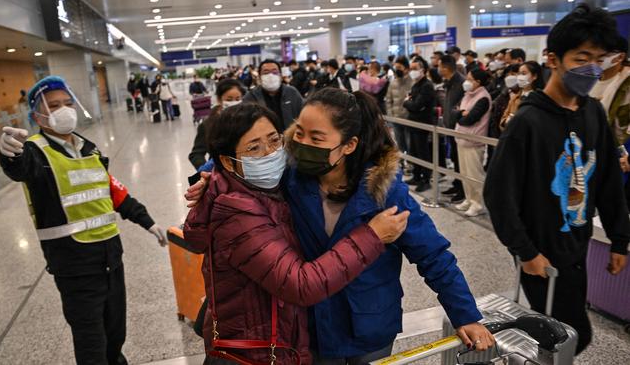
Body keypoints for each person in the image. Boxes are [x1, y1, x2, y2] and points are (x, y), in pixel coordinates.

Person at [188, 88, 496, 364]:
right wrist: (208, 179)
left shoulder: (384, 192)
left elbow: (433, 255)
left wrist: (465, 315)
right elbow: (238, 158)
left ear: (348, 145)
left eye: (317, 138)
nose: (302, 144)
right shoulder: (292, 177)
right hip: (314, 328)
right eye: (299, 133)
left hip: (371, 324)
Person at [183, 102, 410, 364]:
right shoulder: (238, 214)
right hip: (256, 354)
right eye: (254, 148)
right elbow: (300, 284)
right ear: (228, 162)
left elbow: (432, 252)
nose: (269, 153)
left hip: (288, 336)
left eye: (273, 140)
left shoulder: (274, 187)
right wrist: (371, 236)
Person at [484, 4, 630, 355]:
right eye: (581, 58)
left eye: (599, 58)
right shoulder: (527, 123)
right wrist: (526, 252)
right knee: (566, 338)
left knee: (562, 337)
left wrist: (619, 240)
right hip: (542, 256)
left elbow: (608, 181)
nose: (592, 68)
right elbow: (498, 194)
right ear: (552, 59)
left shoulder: (593, 112)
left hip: (576, 247)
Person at [0, 76, 167, 365]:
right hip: (73, 264)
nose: (63, 110)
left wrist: (147, 221)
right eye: (53, 106)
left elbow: (112, 190)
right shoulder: (35, 152)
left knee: (115, 332)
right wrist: (8, 153)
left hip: (111, 257)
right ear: (37, 114)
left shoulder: (90, 149)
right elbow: (18, 167)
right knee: (91, 339)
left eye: (67, 103)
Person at [589, 34, 630, 209]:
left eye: (602, 55)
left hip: (618, 159)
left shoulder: (626, 83)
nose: (597, 59)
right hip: (587, 155)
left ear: (619, 57)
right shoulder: (589, 79)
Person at [452, 69, 491, 217]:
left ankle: (478, 204)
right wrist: (460, 114)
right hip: (461, 138)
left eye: (469, 79)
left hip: (474, 140)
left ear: (478, 82)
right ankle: (469, 199)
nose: (466, 82)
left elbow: (470, 119)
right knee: (465, 173)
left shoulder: (483, 98)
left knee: (475, 174)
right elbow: (454, 112)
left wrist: (460, 115)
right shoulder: (467, 95)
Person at [189, 79, 246, 170]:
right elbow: (196, 154)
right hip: (222, 173)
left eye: (238, 99)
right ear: (219, 100)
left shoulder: (250, 120)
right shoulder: (208, 125)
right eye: (229, 99)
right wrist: (206, 169)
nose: (234, 102)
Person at [403, 56, 436, 192]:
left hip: (422, 123)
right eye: (411, 69)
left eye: (415, 69)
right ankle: (416, 175)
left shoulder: (427, 85)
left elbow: (416, 105)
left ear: (423, 70)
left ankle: (426, 179)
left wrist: (407, 102)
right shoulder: (416, 84)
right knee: (414, 151)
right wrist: (409, 102)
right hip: (413, 122)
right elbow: (413, 102)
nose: (412, 71)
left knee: (423, 152)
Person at [243, 59, 304, 132]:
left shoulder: (292, 92)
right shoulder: (251, 96)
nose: (270, 75)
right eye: (266, 72)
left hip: (290, 138)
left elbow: (303, 116)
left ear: (281, 76)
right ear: (259, 77)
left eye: (275, 72)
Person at [438, 55, 466, 203]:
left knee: (459, 160)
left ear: (445, 68)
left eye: (439, 66)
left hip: (458, 128)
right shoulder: (449, 82)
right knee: (454, 159)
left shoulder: (461, 82)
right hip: (449, 127)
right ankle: (456, 184)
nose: (437, 69)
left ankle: (463, 189)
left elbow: (461, 106)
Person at [499, 61, 545, 131]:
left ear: (534, 76)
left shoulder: (541, 99)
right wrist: (507, 121)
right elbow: (502, 122)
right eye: (519, 74)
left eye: (524, 74)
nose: (520, 77)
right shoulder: (514, 98)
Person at [386, 56, 414, 158]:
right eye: (396, 67)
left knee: (410, 144)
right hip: (396, 119)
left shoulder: (413, 82)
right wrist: (390, 115)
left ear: (406, 68)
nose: (397, 70)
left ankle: (410, 164)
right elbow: (388, 100)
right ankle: (403, 163)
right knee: (400, 144)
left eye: (399, 67)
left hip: (409, 120)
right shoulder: (393, 83)